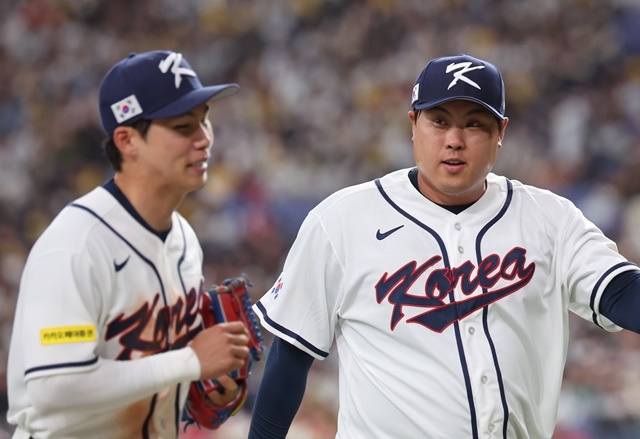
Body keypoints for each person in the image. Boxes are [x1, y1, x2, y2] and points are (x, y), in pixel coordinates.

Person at [248, 53, 640, 439]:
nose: (454, 141)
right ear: (413, 124)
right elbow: (290, 357)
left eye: (474, 124)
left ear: (501, 131)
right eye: (439, 121)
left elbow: (621, 291)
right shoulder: (341, 221)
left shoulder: (551, 219)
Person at [6, 50, 251, 438]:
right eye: (183, 126)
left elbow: (149, 374)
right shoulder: (76, 245)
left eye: (205, 121)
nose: (203, 139)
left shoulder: (185, 241)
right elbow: (55, 387)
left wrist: (210, 387)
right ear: (127, 140)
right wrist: (189, 362)